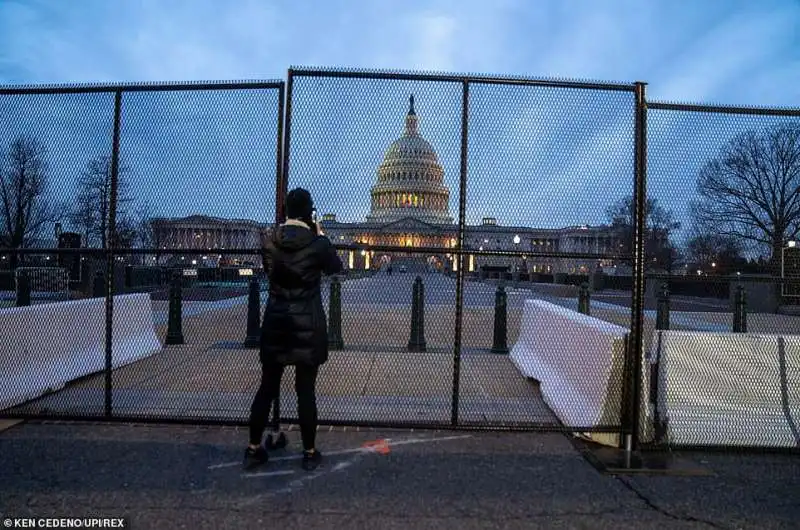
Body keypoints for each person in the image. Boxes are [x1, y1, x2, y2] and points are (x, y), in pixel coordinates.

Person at [244, 187, 343, 471]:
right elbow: (336, 267)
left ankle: (253, 448)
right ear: (310, 212)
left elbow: (272, 272)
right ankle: (310, 452)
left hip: (275, 322)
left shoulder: (268, 242)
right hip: (306, 326)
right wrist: (321, 234)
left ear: (286, 211)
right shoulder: (319, 244)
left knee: (266, 388)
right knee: (305, 391)